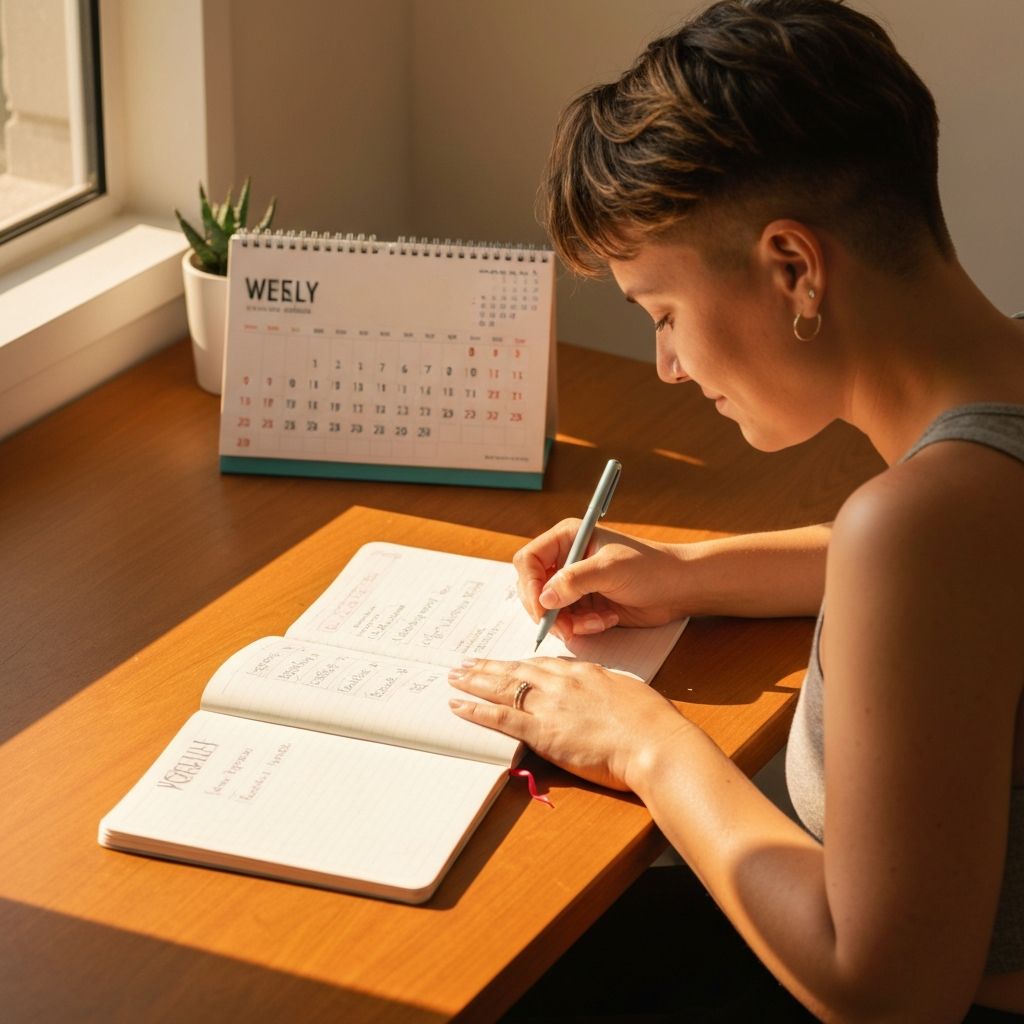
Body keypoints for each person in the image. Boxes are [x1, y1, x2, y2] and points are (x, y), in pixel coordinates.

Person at [446, 0, 1024, 1020]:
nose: (665, 366)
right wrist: (692, 570)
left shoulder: (921, 529)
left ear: (793, 268)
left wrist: (641, 740)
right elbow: (966, 568)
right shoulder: (991, 413)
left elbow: (887, 991)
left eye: (663, 314)